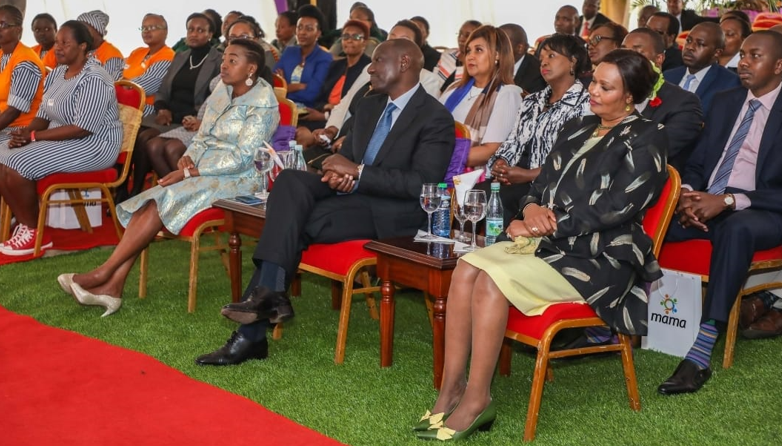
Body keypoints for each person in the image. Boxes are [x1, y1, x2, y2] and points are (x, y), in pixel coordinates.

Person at [415, 49, 667, 441]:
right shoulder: (579, 127)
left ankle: (477, 399)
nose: (593, 91)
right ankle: (451, 387)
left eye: (605, 86)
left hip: (598, 256)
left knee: (492, 279)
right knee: (466, 268)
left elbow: (619, 207)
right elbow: (538, 186)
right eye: (594, 81)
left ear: (630, 96)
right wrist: (530, 208)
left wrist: (544, 227)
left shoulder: (647, 135)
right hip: (548, 243)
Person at [196, 39, 455, 366]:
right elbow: (347, 157)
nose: (370, 68)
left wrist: (358, 173)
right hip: (350, 194)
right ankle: (269, 299)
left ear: (404, 63)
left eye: (377, 61)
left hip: (390, 213)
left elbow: (422, 184)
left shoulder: (435, 118)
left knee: (295, 220)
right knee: (290, 181)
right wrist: (336, 170)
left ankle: (251, 332)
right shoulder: (370, 103)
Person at [59, 39, 280, 316]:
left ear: (252, 68)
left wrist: (190, 171)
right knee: (151, 202)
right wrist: (189, 157)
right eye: (225, 59)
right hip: (204, 169)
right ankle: (111, 286)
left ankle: (101, 276)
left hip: (241, 179)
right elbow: (203, 136)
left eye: (233, 60)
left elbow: (244, 157)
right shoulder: (222, 90)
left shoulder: (263, 103)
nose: (224, 64)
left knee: (163, 197)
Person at [658, 31, 782, 395]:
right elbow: (697, 163)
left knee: (737, 229)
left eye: (754, 56)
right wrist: (689, 197)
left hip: (763, 210)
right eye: (741, 54)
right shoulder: (726, 101)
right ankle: (612, 319)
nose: (742, 62)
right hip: (708, 206)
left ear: (778, 66)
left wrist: (727, 201)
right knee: (652, 218)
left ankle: (701, 349)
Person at [0, 21, 122, 256]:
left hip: (94, 145)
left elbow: (82, 128)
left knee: (18, 164)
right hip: (63, 138)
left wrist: (34, 136)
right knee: (4, 153)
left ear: (83, 46)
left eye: (65, 43)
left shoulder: (95, 77)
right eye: (57, 42)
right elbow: (43, 115)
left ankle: (36, 234)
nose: (58, 47)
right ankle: (26, 222)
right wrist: (25, 134)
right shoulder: (56, 73)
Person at [486, 34, 591, 224]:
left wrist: (527, 175)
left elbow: (575, 159)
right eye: (541, 58)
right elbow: (513, 140)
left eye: (551, 56)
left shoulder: (585, 105)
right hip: (517, 176)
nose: (543, 62)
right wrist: (501, 163)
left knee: (500, 199)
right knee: (480, 194)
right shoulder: (532, 101)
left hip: (552, 186)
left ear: (573, 62)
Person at [309, 20, 444, 156]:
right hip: (338, 142)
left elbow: (409, 127)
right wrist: (332, 129)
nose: (394, 43)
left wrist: (353, 141)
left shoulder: (429, 80)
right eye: (392, 37)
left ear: (416, 50)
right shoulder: (369, 69)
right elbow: (345, 104)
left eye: (403, 40)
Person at [124, 12, 222, 197]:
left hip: (190, 118)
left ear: (210, 35)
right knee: (136, 136)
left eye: (200, 30)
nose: (194, 34)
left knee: (149, 143)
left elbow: (214, 97)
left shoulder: (217, 60)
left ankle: (176, 194)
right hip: (168, 116)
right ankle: (136, 191)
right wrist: (162, 108)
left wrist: (193, 118)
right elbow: (162, 89)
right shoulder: (181, 57)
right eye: (190, 29)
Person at [439, 25, 522, 170]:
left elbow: (491, 151)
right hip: (439, 168)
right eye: (468, 51)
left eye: (478, 50)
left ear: (497, 55)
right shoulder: (454, 88)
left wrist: (439, 159)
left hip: (475, 180)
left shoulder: (507, 94)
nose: (470, 56)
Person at [622, 28, 703, 171]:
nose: (625, 60)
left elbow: (655, 150)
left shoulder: (683, 103)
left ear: (659, 59)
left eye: (636, 52)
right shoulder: (609, 93)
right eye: (623, 52)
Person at [296, 19, 371, 144]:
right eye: (345, 36)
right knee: (291, 127)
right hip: (322, 115)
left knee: (302, 135)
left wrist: (324, 115)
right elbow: (318, 98)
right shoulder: (335, 66)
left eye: (356, 36)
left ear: (365, 43)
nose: (349, 40)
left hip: (343, 123)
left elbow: (356, 108)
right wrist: (325, 107)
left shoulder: (368, 70)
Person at [663, 22, 740, 113]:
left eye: (700, 44)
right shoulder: (668, 76)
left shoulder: (729, 84)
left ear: (716, 53)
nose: (690, 47)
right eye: (688, 41)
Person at [274, 5, 333, 109]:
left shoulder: (324, 58)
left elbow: (311, 94)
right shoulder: (289, 52)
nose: (302, 32)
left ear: (318, 33)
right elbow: (273, 83)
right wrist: (298, 86)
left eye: (309, 29)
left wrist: (285, 88)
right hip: (280, 107)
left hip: (308, 112)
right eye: (299, 27)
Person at [0, 5, 44, 142]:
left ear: (18, 30)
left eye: (3, 24)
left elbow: (13, 112)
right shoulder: (3, 54)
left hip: (18, 129)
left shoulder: (25, 63)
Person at [123, 14, 175, 117]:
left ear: (165, 32)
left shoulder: (168, 56)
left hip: (144, 109)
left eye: (152, 27)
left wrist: (120, 83)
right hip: (121, 103)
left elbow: (144, 86)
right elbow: (115, 71)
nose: (146, 31)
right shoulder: (137, 52)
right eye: (144, 28)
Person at [499, 23, 546, 95]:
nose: (495, 47)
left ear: (520, 48)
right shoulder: (490, 65)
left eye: (501, 42)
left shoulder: (538, 73)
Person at [77, 10, 124, 81]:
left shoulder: (111, 55)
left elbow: (104, 84)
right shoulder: (81, 49)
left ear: (98, 31)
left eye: (85, 29)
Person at [436, 20, 482, 92]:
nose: (461, 39)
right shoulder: (447, 55)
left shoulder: (478, 65)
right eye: (460, 34)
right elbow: (432, 82)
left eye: (467, 35)